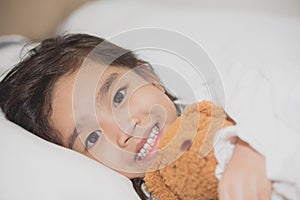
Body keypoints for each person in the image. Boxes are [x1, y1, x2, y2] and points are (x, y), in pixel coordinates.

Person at [0, 34, 272, 199]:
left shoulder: (220, 99)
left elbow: (267, 91)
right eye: (93, 138)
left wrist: (249, 149)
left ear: (148, 76)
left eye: (118, 97)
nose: (125, 130)